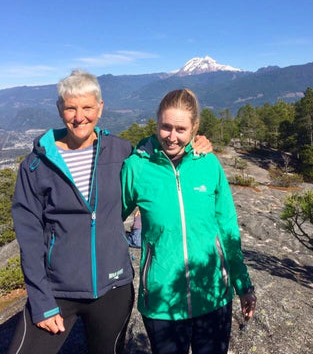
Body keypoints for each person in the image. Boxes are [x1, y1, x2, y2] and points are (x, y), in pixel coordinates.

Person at [9, 70, 211, 354]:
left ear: (100, 108)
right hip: (57, 288)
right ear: (59, 109)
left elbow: (159, 150)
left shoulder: (121, 151)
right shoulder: (36, 165)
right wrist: (41, 301)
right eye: (70, 108)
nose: (79, 117)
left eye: (87, 107)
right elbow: (29, 237)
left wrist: (196, 143)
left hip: (113, 289)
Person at [122, 89, 256, 354]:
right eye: (166, 127)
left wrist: (243, 284)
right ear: (157, 123)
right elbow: (109, 219)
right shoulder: (137, 167)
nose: (172, 136)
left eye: (181, 129)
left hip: (213, 295)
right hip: (162, 302)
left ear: (195, 128)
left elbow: (228, 229)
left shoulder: (209, 164)